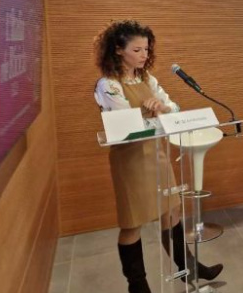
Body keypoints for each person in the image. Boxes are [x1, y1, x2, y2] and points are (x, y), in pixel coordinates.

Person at [93, 20, 222, 293]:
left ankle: (189, 266)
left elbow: (174, 109)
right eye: (137, 50)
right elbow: (128, 124)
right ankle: (138, 286)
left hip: (157, 154)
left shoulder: (147, 79)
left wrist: (162, 107)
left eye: (146, 49)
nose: (144, 55)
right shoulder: (108, 85)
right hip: (130, 160)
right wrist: (156, 113)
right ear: (118, 50)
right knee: (133, 223)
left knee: (171, 212)